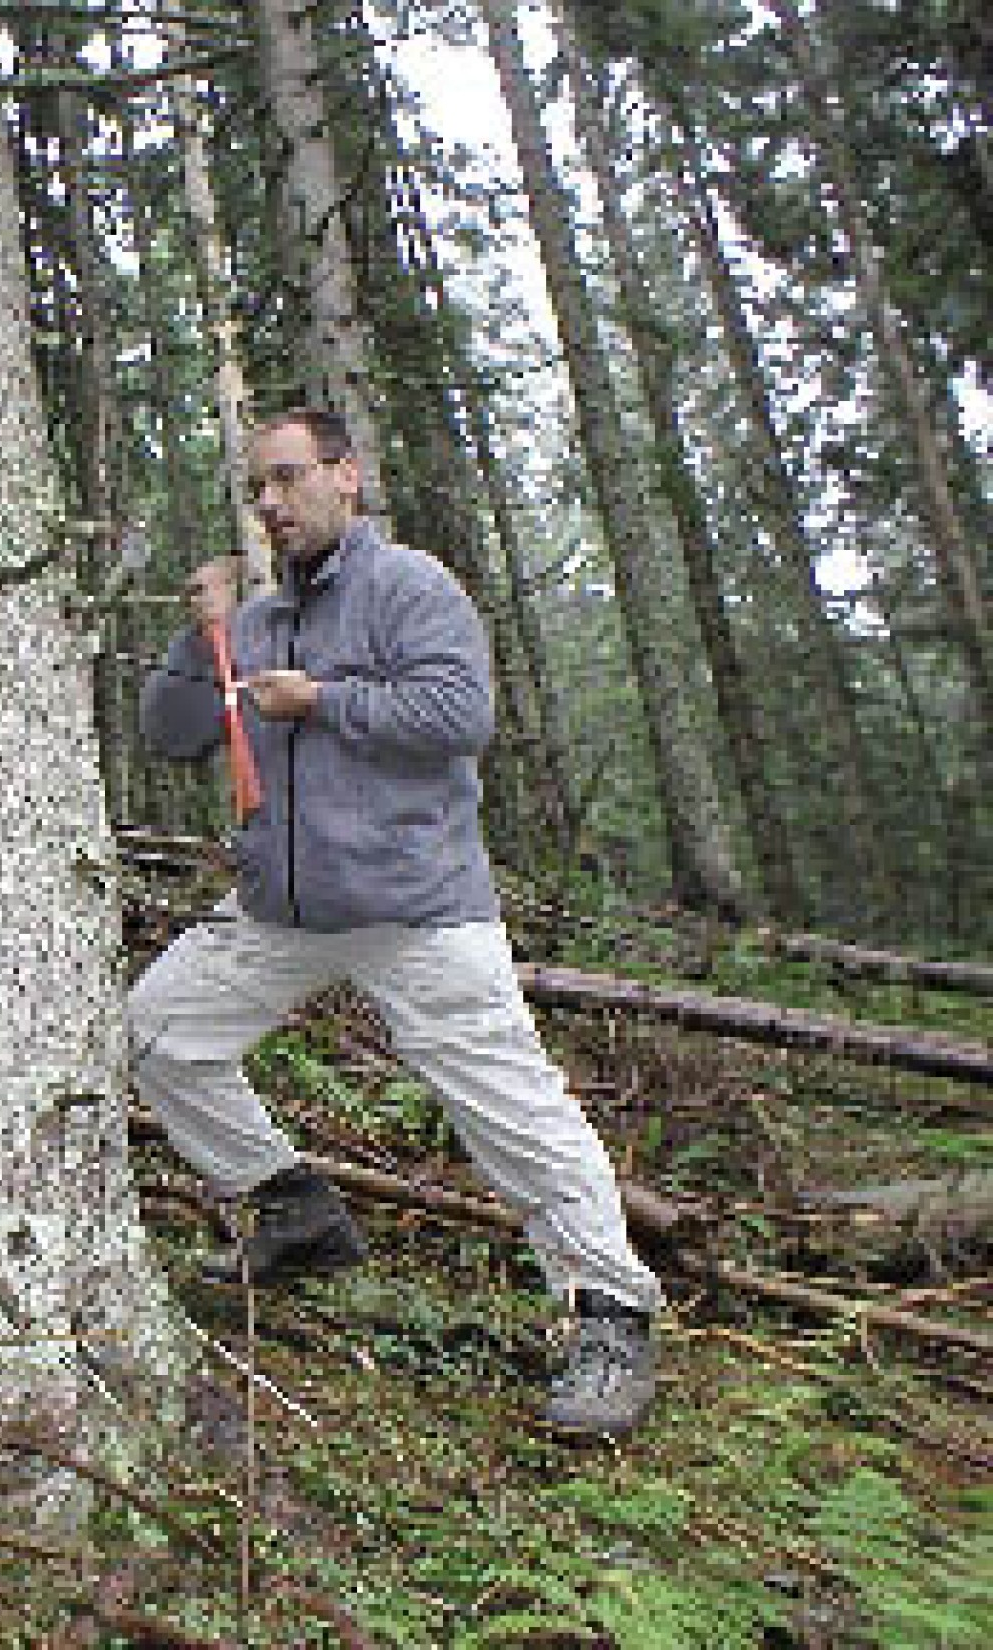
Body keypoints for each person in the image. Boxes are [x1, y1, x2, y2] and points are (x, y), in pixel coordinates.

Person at [127, 407, 662, 1440]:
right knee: (156, 1031)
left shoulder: (409, 586)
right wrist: (196, 634)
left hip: (418, 906)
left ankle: (610, 1311)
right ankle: (292, 1210)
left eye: (289, 480)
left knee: (514, 1113)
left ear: (346, 478)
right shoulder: (258, 619)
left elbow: (461, 716)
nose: (272, 504)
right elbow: (171, 734)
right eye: (258, 491)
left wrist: (323, 700)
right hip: (282, 908)